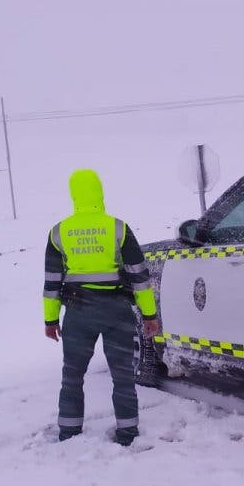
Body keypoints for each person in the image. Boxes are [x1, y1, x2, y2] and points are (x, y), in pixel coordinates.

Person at [43, 169, 161, 445]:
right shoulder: (117, 228)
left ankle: (69, 433)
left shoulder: (59, 232)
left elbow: (51, 282)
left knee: (72, 375)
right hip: (116, 310)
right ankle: (128, 433)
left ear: (73, 195)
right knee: (122, 376)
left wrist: (50, 320)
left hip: (78, 313)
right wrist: (149, 315)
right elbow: (139, 276)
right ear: (100, 192)